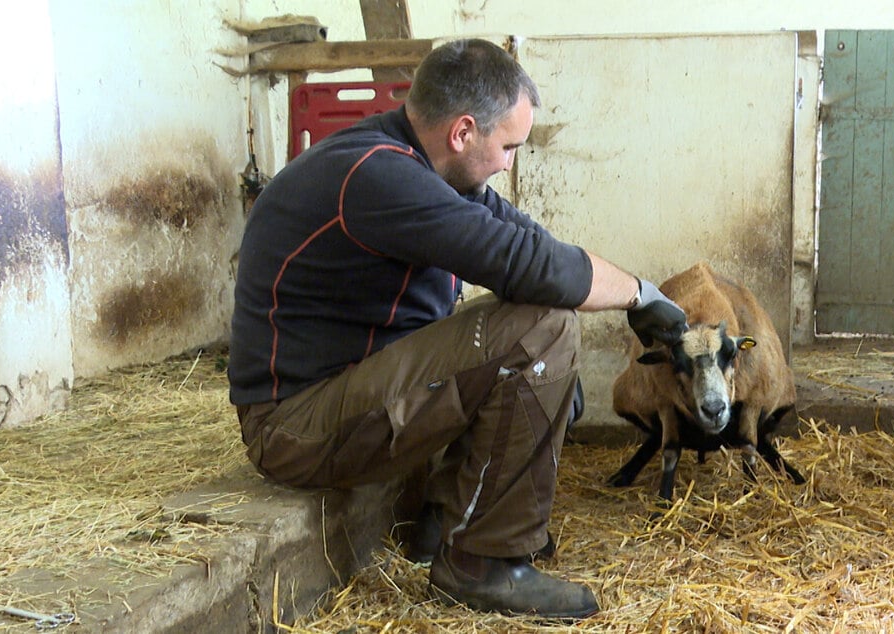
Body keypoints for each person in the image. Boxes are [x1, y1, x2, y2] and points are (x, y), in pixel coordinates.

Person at [229, 38, 686, 620]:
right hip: (294, 427)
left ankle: (442, 522)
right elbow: (529, 268)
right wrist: (639, 294)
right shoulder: (376, 175)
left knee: (543, 344)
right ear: (463, 132)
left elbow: (532, 245)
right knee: (542, 327)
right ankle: (483, 564)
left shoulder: (430, 171)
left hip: (349, 395)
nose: (508, 163)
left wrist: (561, 370)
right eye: (508, 146)